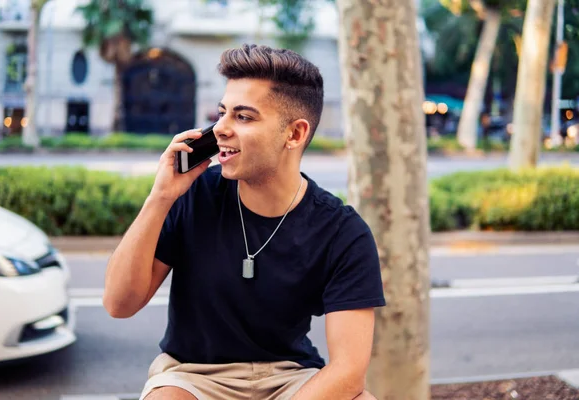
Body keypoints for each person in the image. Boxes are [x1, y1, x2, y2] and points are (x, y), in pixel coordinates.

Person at [103, 44, 385, 400]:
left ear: (294, 134)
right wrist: (159, 198)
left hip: (289, 377)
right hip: (192, 375)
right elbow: (119, 304)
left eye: (244, 117)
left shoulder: (343, 232)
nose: (220, 129)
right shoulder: (191, 194)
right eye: (222, 113)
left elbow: (348, 371)